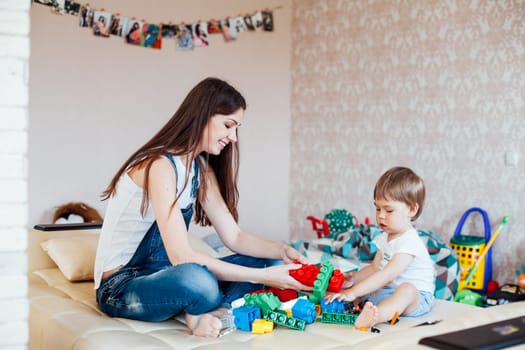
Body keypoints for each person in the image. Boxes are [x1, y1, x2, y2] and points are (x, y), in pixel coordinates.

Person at [94, 77, 311, 338]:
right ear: (203, 116)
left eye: (237, 128)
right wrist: (264, 278)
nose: (233, 137)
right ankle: (205, 306)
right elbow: (181, 257)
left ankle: (213, 311)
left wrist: (282, 250)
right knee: (198, 282)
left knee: (270, 261)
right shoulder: (159, 166)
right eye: (228, 125)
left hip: (167, 275)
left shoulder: (200, 169)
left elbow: (235, 237)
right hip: (122, 286)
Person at [325, 166, 435, 328]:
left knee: (406, 289)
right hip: (388, 290)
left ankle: (377, 316)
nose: (381, 216)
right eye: (378, 209)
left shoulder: (410, 241)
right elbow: (375, 268)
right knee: (365, 288)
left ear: (412, 209)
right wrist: (354, 280)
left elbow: (387, 275)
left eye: (389, 210)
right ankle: (349, 305)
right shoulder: (384, 237)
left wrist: (354, 292)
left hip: (417, 298)